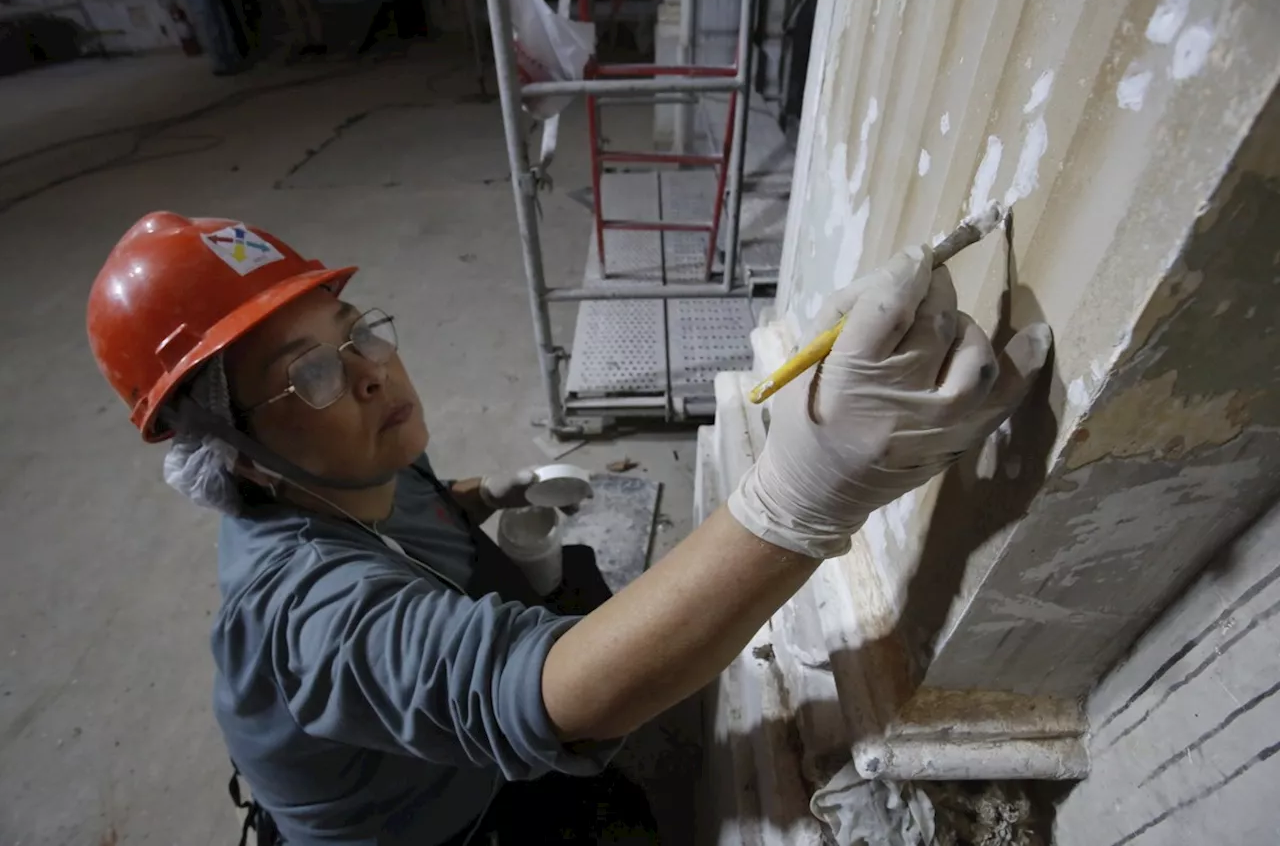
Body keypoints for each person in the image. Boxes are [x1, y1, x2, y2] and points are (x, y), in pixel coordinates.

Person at [86, 212, 1051, 845]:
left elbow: (417, 493)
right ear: (240, 454)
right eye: (313, 374)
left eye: (358, 329)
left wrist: (476, 496)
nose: (373, 371)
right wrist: (807, 492)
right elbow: (551, 699)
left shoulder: (347, 459)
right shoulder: (309, 619)